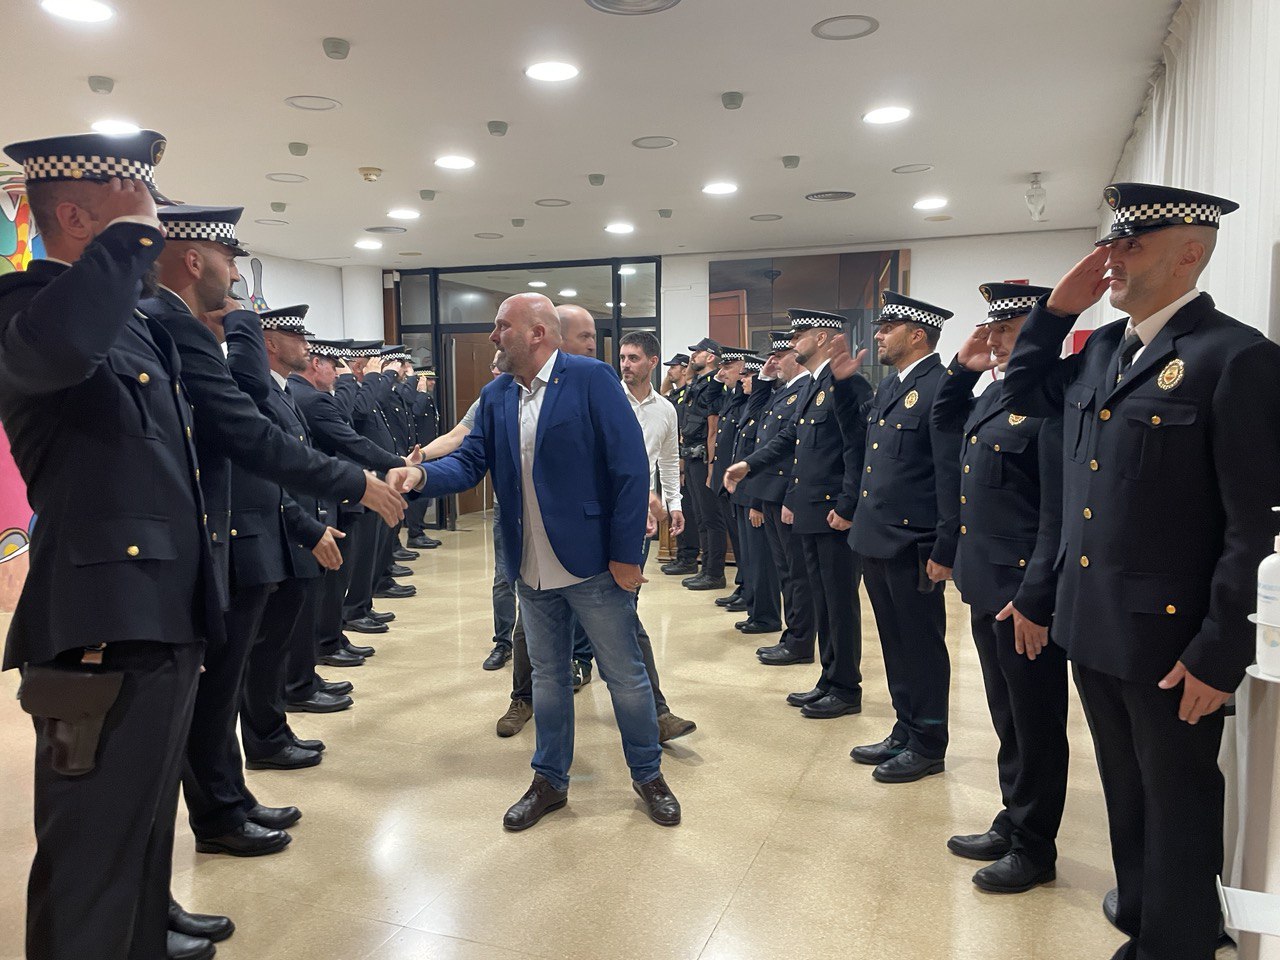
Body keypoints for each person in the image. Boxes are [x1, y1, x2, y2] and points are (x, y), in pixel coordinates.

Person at [1003, 182, 1280, 960]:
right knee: (1125, 793)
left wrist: (1221, 651)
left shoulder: (1237, 357)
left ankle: (1178, 941)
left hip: (1171, 641)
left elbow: (1253, 524)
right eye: (1114, 244)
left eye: (1134, 244)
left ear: (1190, 251)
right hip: (1094, 623)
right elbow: (1024, 394)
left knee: (1179, 800)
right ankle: (1144, 916)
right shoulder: (1101, 353)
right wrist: (1055, 315)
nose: (1113, 259)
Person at [0, 128, 220, 960]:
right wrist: (129, 237)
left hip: (155, 615)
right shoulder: (24, 311)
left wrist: (127, 228)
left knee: (138, 827)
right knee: (89, 860)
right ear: (74, 215)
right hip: (95, 627)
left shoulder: (126, 327)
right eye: (143, 212)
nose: (159, 231)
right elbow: (56, 349)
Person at [138, 205, 407, 858]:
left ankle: (228, 805)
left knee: (220, 691)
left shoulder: (174, 329)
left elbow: (255, 433)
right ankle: (222, 811)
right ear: (195, 258)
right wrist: (351, 485)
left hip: (233, 532)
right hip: (200, 543)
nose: (235, 278)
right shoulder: (163, 328)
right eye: (229, 261)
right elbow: (247, 426)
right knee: (208, 697)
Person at [403, 293, 681, 829]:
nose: (492, 336)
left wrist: (625, 555)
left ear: (537, 333)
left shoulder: (591, 378)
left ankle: (648, 774)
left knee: (624, 675)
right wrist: (419, 478)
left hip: (594, 564)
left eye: (501, 326)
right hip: (529, 565)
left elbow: (628, 468)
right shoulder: (497, 393)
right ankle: (550, 780)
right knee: (549, 678)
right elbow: (468, 460)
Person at [931, 282, 1069, 894]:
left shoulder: (1053, 397)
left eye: (1009, 328)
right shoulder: (994, 394)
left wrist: (1037, 594)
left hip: (1022, 594)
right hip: (986, 586)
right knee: (1007, 714)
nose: (995, 337)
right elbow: (942, 423)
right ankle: (1013, 819)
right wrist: (962, 371)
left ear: (1041, 332)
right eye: (992, 327)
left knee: (1036, 721)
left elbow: (1058, 513)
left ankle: (1036, 845)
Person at [839, 291, 962, 784]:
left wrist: (943, 546)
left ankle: (929, 741)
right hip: (877, 540)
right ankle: (905, 728)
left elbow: (951, 474)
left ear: (917, 335)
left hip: (915, 544)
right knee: (893, 641)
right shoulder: (891, 387)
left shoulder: (941, 387)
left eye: (888, 327)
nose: (879, 335)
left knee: (921, 645)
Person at [724, 310, 870, 719]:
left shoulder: (846, 383)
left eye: (800, 334)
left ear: (823, 337)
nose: (793, 342)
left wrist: (847, 506)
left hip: (832, 514)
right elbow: (792, 437)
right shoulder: (812, 385)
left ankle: (846, 687)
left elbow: (856, 448)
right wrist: (749, 464)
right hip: (810, 512)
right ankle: (828, 679)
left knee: (840, 604)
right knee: (822, 600)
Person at [618, 330, 697, 742]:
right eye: (622, 357)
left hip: (638, 520)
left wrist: (675, 503)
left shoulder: (665, 409)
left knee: (626, 604)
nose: (626, 364)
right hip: (601, 517)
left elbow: (669, 459)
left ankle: (655, 711)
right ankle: (526, 693)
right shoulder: (608, 401)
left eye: (633, 358)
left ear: (653, 361)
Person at [752, 332, 818, 666]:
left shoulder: (806, 389)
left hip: (785, 493)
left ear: (797, 357)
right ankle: (793, 636)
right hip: (769, 492)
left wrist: (793, 495)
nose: (775, 362)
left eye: (781, 356)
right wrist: (763, 379)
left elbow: (797, 449)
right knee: (785, 570)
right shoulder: (784, 391)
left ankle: (800, 641)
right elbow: (755, 421)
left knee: (797, 573)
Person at [729, 354, 783, 635]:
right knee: (750, 560)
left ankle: (767, 616)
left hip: (755, 497)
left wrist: (758, 502)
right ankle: (755, 611)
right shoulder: (757, 409)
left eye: (748, 377)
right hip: (743, 493)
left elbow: (765, 457)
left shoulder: (772, 407)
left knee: (762, 563)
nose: (743, 381)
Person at [679, 337, 728, 589]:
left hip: (704, 457)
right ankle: (705, 568)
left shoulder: (713, 386)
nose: (692, 357)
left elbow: (713, 428)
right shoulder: (697, 383)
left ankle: (715, 572)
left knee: (711, 517)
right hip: (693, 456)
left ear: (710, 356)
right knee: (700, 517)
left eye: (697, 352)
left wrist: (711, 465)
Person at [707, 348, 750, 603]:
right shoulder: (732, 397)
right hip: (725, 480)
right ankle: (743, 586)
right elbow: (710, 397)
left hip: (738, 482)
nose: (722, 373)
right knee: (736, 538)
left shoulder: (747, 399)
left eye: (728, 367)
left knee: (745, 544)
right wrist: (719, 376)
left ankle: (748, 588)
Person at [660, 352, 700, 575]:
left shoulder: (688, 396)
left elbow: (684, 432)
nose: (669, 370)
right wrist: (670, 377)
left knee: (688, 512)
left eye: (674, 367)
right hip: (673, 458)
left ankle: (689, 557)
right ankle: (681, 554)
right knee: (680, 508)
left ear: (685, 369)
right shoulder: (675, 395)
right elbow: (662, 393)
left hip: (682, 460)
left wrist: (681, 465)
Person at [405, 367, 442, 549]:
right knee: (417, 496)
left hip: (428, 450)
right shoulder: (418, 397)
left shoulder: (428, 398)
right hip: (418, 452)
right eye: (429, 380)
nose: (432, 383)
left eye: (433, 380)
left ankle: (419, 529)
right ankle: (414, 533)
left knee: (423, 496)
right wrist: (420, 392)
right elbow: (415, 412)